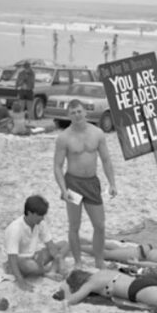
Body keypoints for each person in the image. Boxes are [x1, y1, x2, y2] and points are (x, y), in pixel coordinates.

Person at [54, 99, 117, 270]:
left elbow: (106, 160)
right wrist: (63, 189)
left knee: (100, 225)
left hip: (92, 184)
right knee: (74, 225)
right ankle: (78, 262)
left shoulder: (97, 133)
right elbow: (57, 166)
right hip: (73, 184)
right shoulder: (64, 137)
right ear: (69, 115)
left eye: (79, 111)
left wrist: (112, 183)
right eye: (73, 112)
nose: (77, 115)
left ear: (85, 112)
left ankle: (99, 260)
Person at [4, 195, 68, 291]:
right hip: (19, 262)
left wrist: (60, 260)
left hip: (34, 256)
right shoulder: (15, 228)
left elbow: (51, 246)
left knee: (63, 244)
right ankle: (45, 273)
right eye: (40, 215)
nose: (42, 218)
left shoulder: (40, 223)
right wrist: (21, 282)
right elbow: (12, 258)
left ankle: (51, 271)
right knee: (31, 265)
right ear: (29, 213)